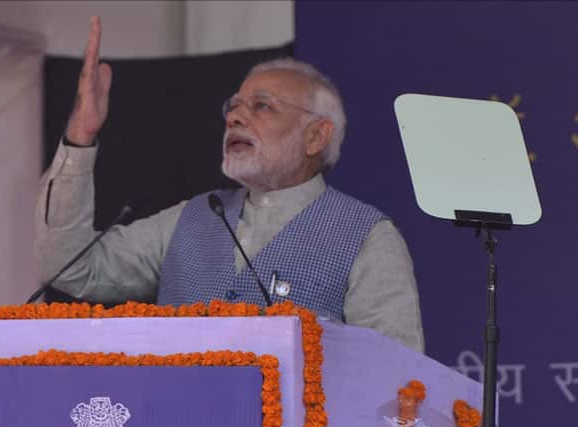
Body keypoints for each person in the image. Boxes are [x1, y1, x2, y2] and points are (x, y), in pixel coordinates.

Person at [36, 16, 424, 352]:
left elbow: (393, 379)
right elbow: (71, 270)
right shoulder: (191, 217)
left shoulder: (368, 237)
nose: (235, 117)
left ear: (316, 137)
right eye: (233, 106)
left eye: (262, 106)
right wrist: (80, 136)